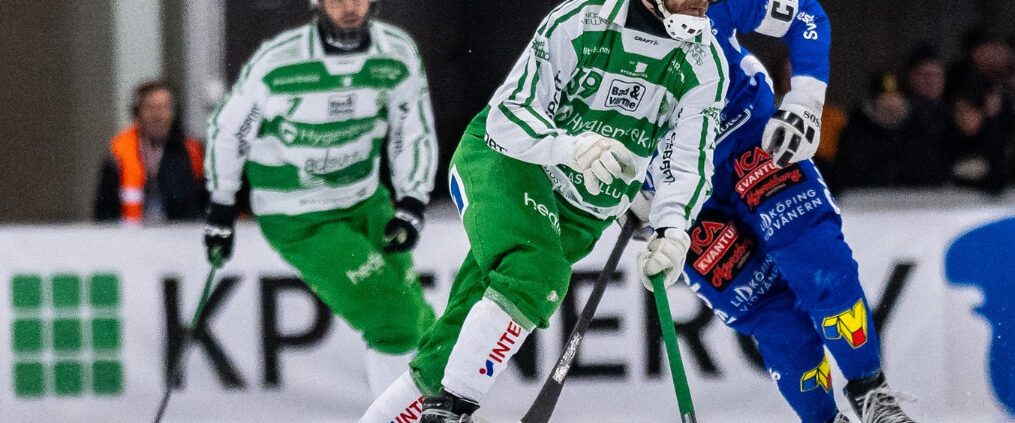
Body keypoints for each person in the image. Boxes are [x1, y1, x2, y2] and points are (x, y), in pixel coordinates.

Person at [360, 0, 726, 421]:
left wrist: (673, 229)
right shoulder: (580, 20)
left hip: (582, 213)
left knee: (455, 344)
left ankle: (429, 404)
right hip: (509, 163)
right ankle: (453, 410)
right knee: (537, 271)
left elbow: (688, 161)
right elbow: (507, 116)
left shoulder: (705, 62)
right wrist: (572, 148)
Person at [633, 0, 919, 422]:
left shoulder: (711, 3)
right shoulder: (591, 33)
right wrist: (625, 199)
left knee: (819, 262)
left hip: (754, 146)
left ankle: (871, 395)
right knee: (774, 321)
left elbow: (806, 14)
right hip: (682, 194)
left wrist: (804, 100)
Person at [203, 0, 439, 396]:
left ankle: (447, 412)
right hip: (300, 215)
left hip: (366, 199)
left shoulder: (395, 53)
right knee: (392, 319)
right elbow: (230, 131)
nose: (349, 7)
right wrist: (221, 205)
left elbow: (412, 128)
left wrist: (412, 200)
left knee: (423, 322)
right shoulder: (280, 60)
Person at [94, 81, 207, 224]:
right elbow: (104, 212)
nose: (158, 115)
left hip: (179, 237)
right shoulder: (118, 155)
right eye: (150, 108)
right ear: (137, 113)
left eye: (164, 108)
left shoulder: (192, 151)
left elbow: (204, 204)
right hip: (130, 238)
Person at [836, 72, 946, 189]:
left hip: (913, 197)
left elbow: (930, 167)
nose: (891, 103)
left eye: (896, 97)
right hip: (867, 198)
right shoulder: (857, 127)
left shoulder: (919, 126)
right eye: (884, 98)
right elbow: (851, 169)